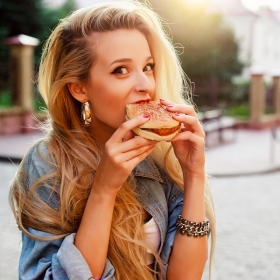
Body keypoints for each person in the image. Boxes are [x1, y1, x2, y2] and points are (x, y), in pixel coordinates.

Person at [9, 1, 216, 279]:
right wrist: (104, 189)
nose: (145, 85)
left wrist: (193, 174)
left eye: (148, 66)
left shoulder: (160, 156)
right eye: (121, 70)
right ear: (79, 88)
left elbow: (185, 277)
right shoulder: (47, 163)